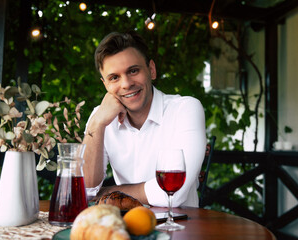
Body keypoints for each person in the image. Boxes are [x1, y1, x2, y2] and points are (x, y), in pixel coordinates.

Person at [82, 31, 206, 208]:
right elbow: (85, 191)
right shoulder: (100, 117)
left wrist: (109, 193)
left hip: (179, 228)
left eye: (133, 71)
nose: (126, 84)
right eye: (114, 77)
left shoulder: (185, 109)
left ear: (152, 70)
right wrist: (97, 123)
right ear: (105, 85)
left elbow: (172, 195)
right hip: (123, 228)